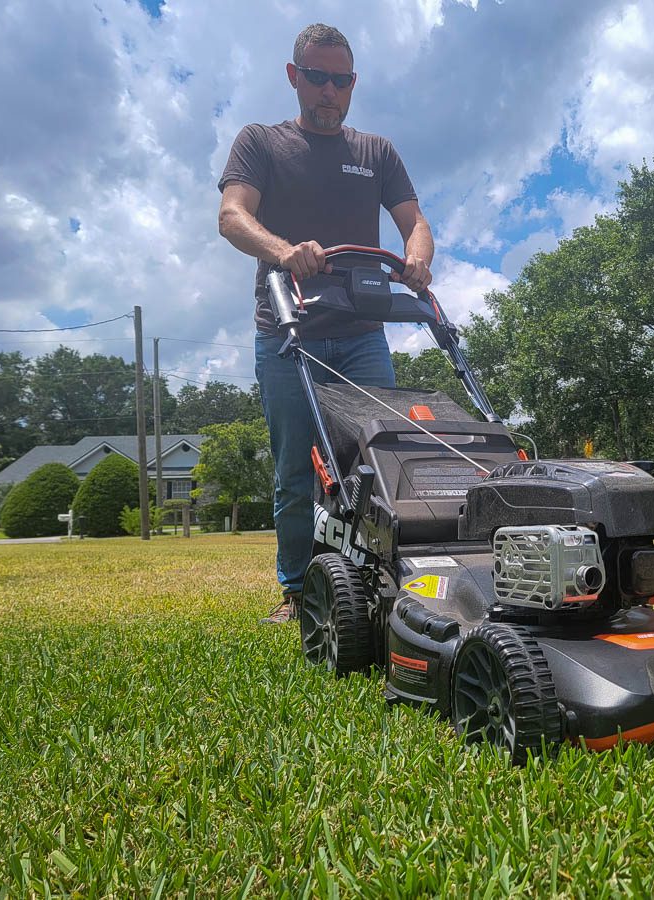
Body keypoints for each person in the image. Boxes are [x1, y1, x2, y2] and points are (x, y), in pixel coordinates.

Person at [217, 23, 434, 624]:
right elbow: (232, 216)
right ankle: (297, 592)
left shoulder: (376, 153)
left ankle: (391, 582)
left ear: (353, 84)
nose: (328, 91)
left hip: (363, 333)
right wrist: (285, 252)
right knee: (296, 468)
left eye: (340, 81)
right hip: (288, 332)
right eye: (317, 77)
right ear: (294, 76)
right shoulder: (261, 142)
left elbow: (415, 221)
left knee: (384, 457)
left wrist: (418, 255)